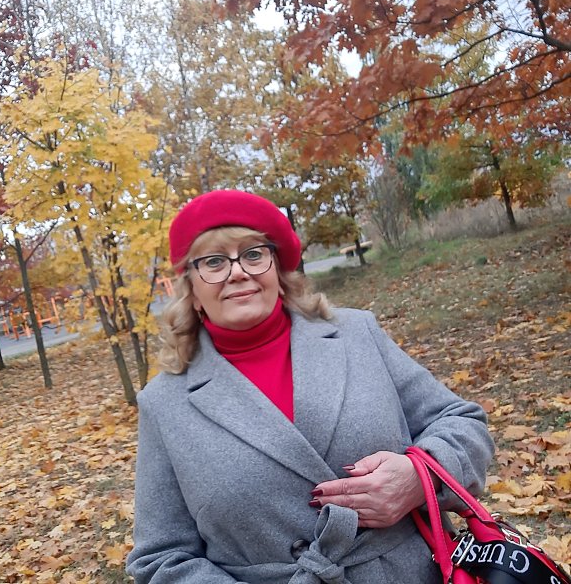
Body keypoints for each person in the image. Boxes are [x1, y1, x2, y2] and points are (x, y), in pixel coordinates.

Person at [126, 189, 494, 583]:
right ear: (192, 289)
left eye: (253, 254)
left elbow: (463, 422)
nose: (238, 272)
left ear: (278, 269)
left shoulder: (356, 334)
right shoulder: (165, 403)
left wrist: (421, 479)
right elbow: (160, 556)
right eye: (214, 262)